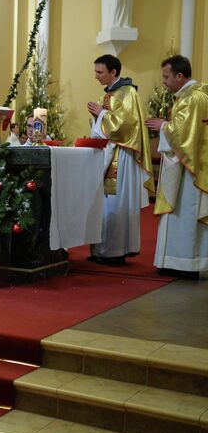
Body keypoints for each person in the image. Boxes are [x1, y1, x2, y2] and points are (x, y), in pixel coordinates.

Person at [86, 54, 155, 265]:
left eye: (100, 72)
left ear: (113, 72)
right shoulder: (110, 94)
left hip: (121, 156)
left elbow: (126, 126)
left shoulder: (128, 92)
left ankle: (114, 252)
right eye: (96, 71)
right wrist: (98, 116)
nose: (96, 76)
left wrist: (102, 115)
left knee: (115, 202)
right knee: (105, 204)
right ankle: (102, 250)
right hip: (109, 153)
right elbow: (103, 126)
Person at [145, 55, 208, 279]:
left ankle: (185, 264)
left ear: (180, 76)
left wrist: (164, 126)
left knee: (185, 213)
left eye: (166, 77)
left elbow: (185, 136)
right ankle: (174, 261)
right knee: (178, 214)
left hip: (190, 169)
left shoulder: (193, 98)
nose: (164, 81)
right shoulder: (189, 95)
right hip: (184, 165)